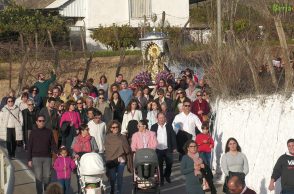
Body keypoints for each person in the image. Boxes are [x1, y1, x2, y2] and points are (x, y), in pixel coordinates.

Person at [28, 115, 58, 194]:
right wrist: (29, 159)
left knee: (47, 178)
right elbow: (30, 146)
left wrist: (57, 153)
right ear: (36, 122)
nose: (41, 122)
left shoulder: (49, 132)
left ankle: (46, 192)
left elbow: (53, 144)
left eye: (43, 121)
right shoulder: (33, 132)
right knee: (38, 178)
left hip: (47, 158)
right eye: (40, 121)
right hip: (36, 158)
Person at [104, 120, 133, 194]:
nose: (115, 128)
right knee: (113, 177)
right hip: (112, 159)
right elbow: (108, 149)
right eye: (113, 127)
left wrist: (125, 151)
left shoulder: (122, 137)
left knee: (120, 177)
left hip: (121, 159)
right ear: (110, 128)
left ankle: (119, 191)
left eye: (117, 127)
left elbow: (127, 148)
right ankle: (112, 188)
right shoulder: (107, 137)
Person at [150, 112, 177, 185]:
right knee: (159, 166)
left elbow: (172, 137)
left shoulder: (169, 126)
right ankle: (161, 180)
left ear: (165, 118)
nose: (161, 119)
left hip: (167, 148)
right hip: (158, 149)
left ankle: (167, 175)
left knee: (170, 163)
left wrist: (174, 147)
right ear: (157, 118)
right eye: (160, 118)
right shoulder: (153, 127)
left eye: (162, 118)